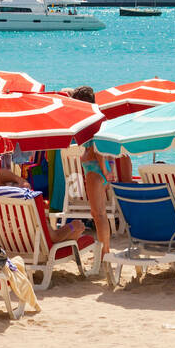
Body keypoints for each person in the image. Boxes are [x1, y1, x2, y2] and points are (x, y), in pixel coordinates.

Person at [71, 85, 112, 257]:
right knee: (97, 214)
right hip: (95, 169)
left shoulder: (93, 122)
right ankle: (105, 252)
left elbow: (98, 149)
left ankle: (105, 253)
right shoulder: (92, 120)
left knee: (99, 214)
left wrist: (106, 172)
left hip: (96, 170)